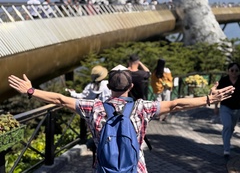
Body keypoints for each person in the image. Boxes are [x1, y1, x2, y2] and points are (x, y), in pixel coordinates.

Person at [8, 65, 235, 172]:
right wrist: (207, 98)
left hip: (104, 167)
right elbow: (176, 104)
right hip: (135, 167)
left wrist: (31, 91)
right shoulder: (142, 108)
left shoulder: (93, 107)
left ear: (108, 87)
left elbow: (59, 99)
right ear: (132, 87)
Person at [215, 62, 240, 160]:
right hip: (225, 107)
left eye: (236, 70)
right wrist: (216, 106)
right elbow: (218, 94)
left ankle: (227, 141)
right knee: (227, 125)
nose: (234, 72)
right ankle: (226, 150)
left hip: (237, 108)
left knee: (231, 127)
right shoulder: (224, 80)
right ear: (228, 71)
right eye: (232, 70)